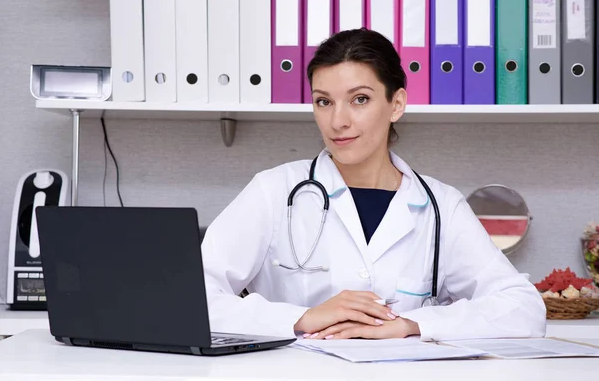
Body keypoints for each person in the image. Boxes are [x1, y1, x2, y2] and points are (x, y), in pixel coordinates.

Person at [200, 28, 546, 341]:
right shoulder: (274, 191)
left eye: (359, 99)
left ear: (396, 104)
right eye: (324, 102)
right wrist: (303, 317)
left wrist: (414, 325)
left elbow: (523, 308)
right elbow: (193, 297)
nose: (338, 121)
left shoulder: (441, 206)